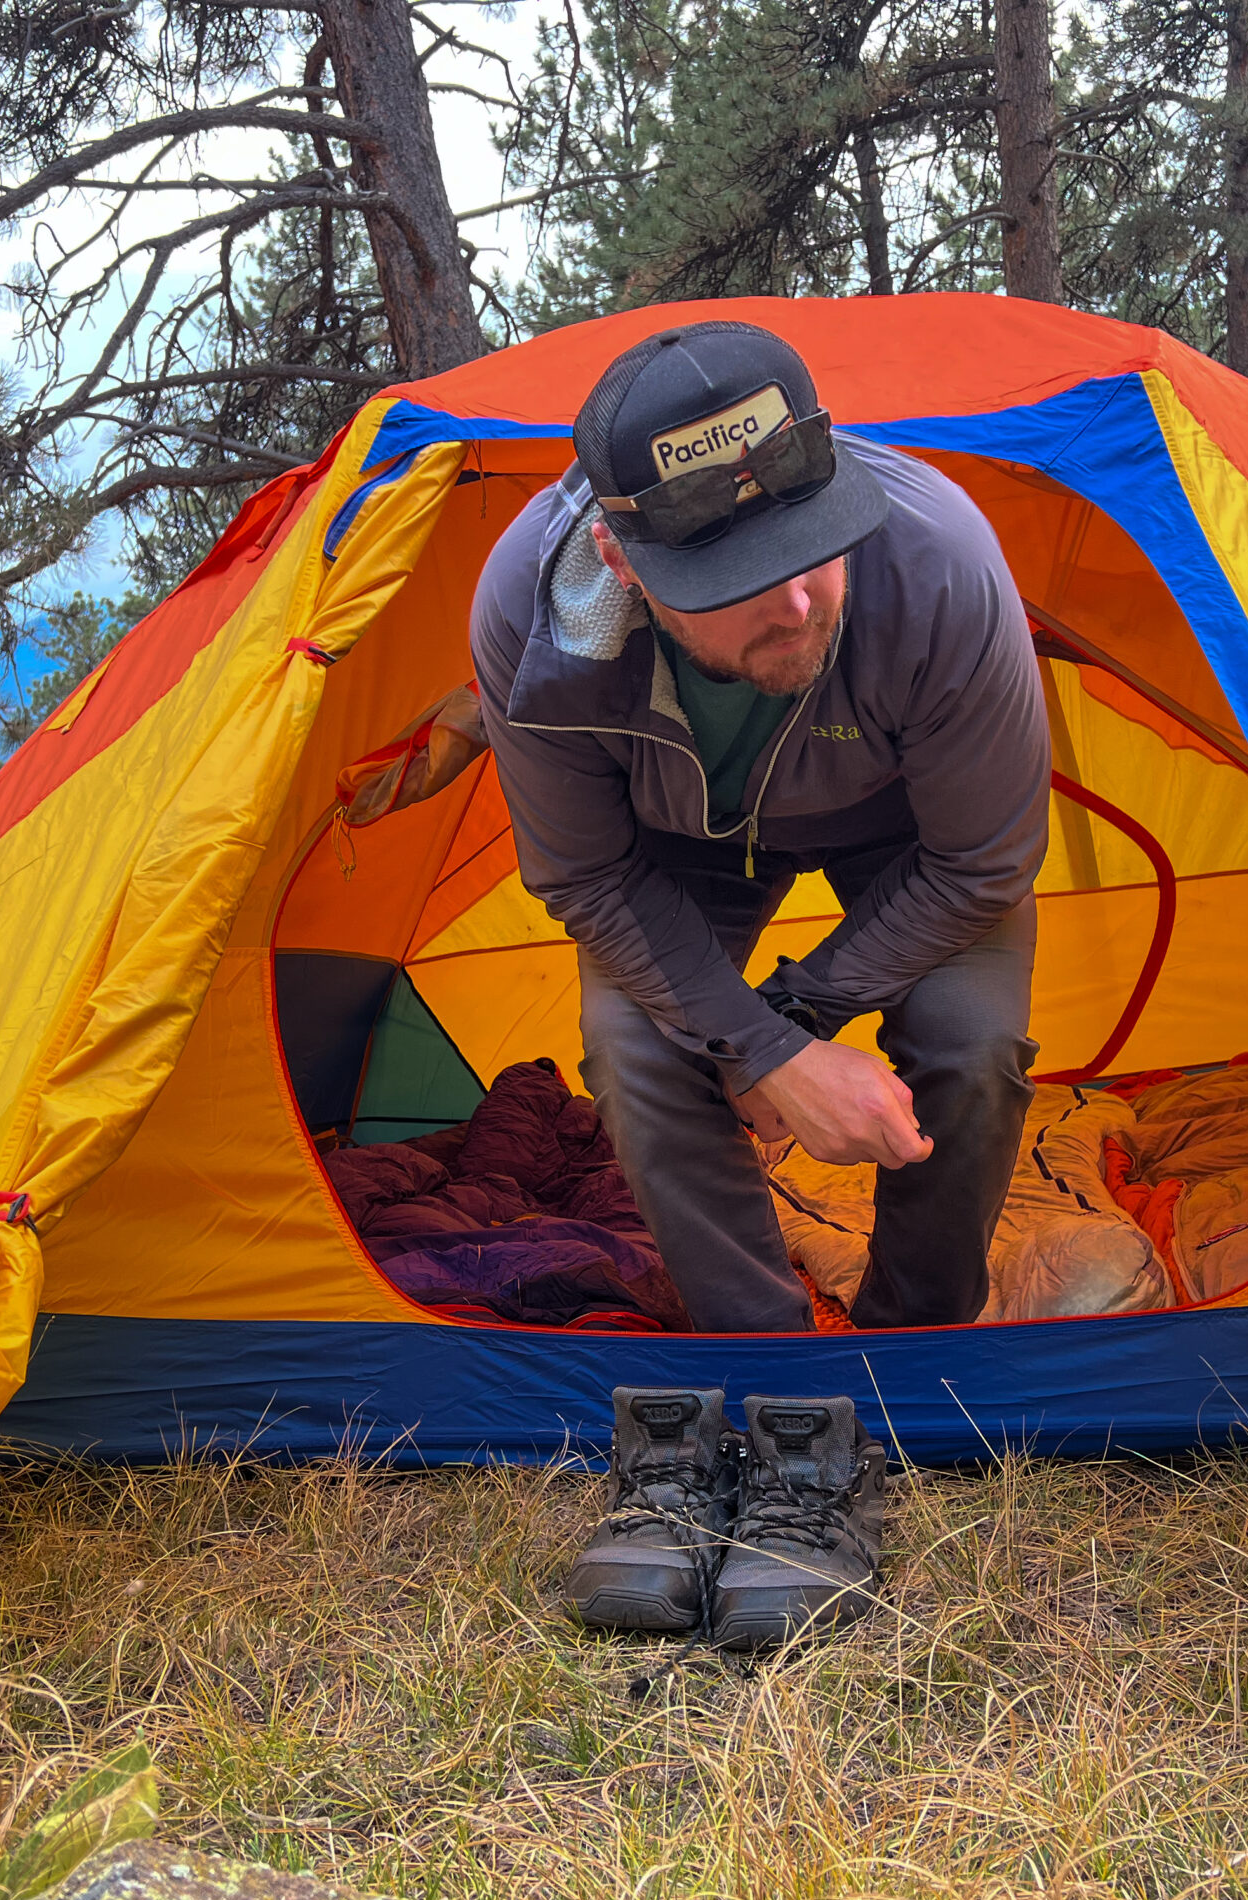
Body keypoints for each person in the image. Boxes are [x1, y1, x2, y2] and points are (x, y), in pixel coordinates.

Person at [468, 320, 1049, 1645]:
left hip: (909, 834)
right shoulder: (530, 615)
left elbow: (985, 860)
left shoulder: (939, 567)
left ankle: (902, 1374)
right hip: (670, 851)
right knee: (632, 1042)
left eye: (810, 542)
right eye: (735, 578)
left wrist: (786, 1027)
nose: (797, 600)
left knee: (967, 1035)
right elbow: (585, 883)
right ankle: (772, 1391)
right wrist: (758, 1055)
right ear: (621, 557)